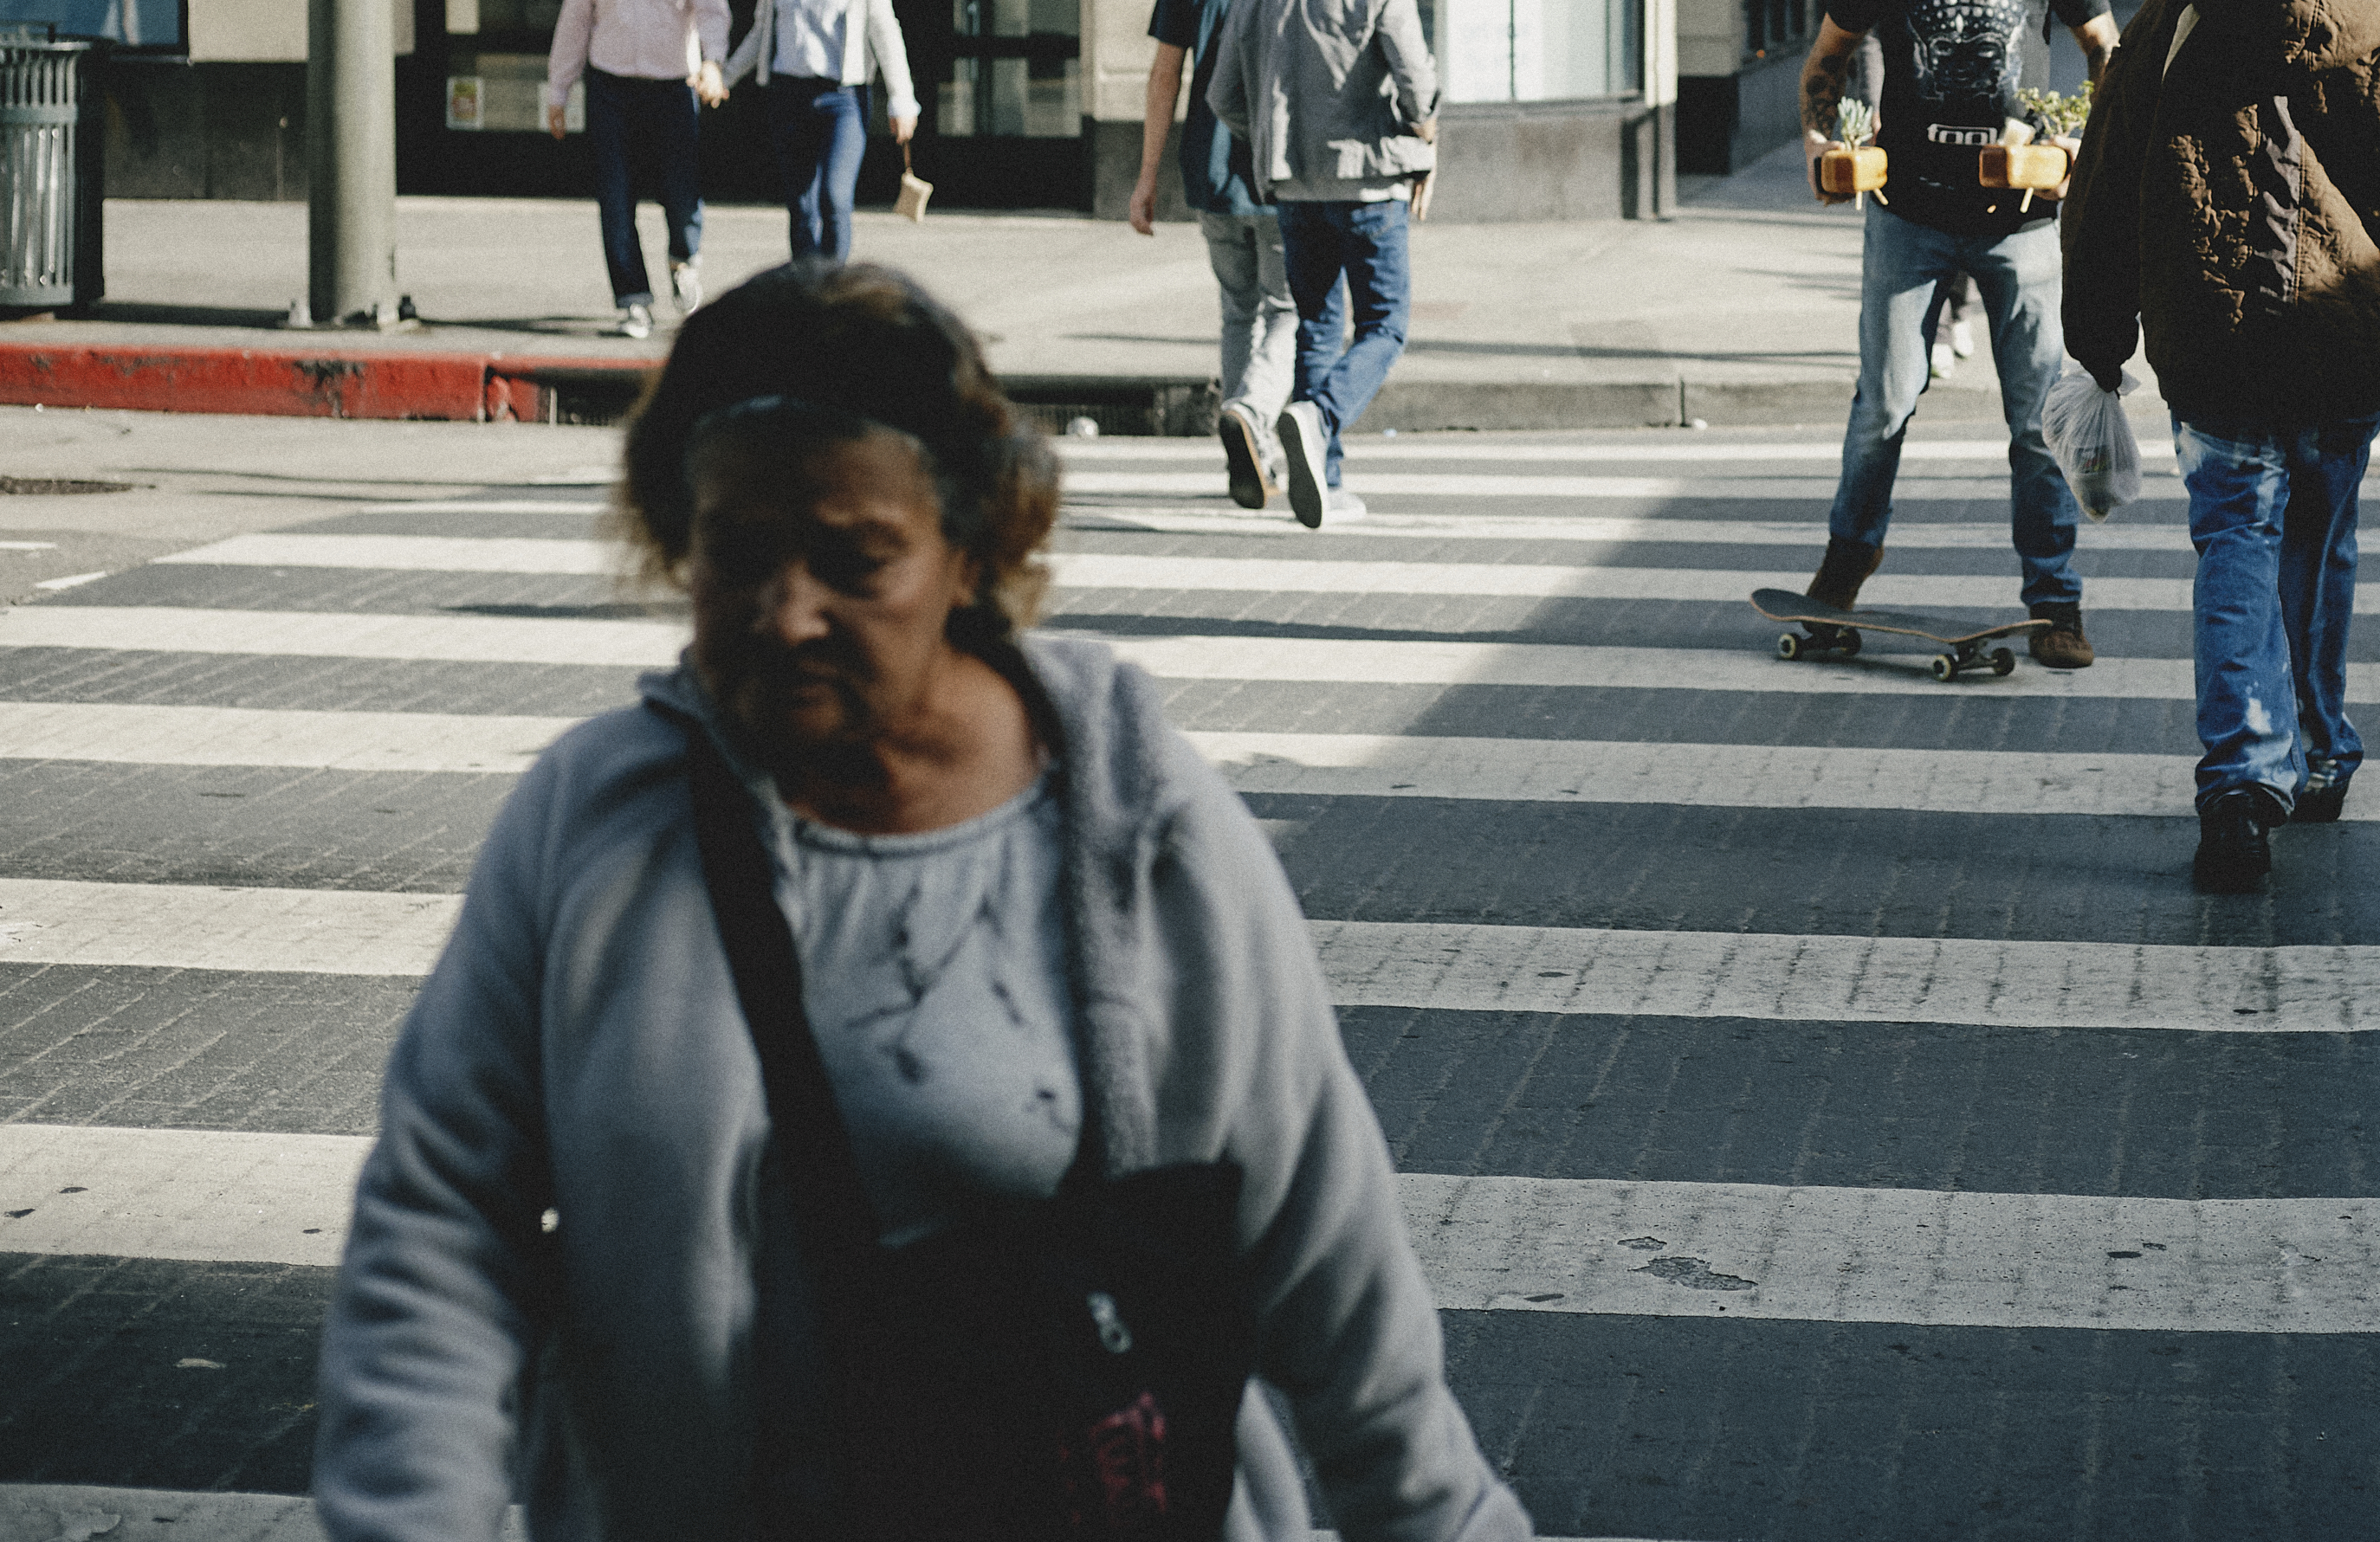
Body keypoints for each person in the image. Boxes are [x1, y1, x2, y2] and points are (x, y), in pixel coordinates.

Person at [313, 261, 1535, 1542]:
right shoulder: (594, 822)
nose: (788, 615)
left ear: (970, 550)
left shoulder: (1144, 828)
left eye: (856, 561)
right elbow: (442, 1225)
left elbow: (1334, 1276)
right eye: (739, 553)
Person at [2062, 0, 2380, 893]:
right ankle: (2320, 747)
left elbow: (2102, 186)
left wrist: (2099, 343)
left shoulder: (2183, 7)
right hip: (2350, 338)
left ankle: (2242, 784)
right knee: (2322, 538)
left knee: (2235, 541)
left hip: (2215, 334)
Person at [1792, 0, 2118, 668]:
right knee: (1884, 405)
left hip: (2023, 218)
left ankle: (2055, 599)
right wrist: (1824, 142)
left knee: (2038, 421)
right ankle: (1845, 567)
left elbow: (2107, 51)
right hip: (1910, 212)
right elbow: (1825, 61)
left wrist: (2080, 141)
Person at [1206, 0, 1438, 532]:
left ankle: (1326, 482)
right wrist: (1423, 135)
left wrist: (1269, 138)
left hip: (1294, 186)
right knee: (1384, 326)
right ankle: (1321, 417)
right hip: (1369, 182)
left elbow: (1222, 95)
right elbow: (1416, 83)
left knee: (1315, 323)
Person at [1132, 0, 1309, 510]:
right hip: (1287, 170)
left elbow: (1163, 77)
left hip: (1210, 165)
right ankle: (1253, 417)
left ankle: (1248, 447)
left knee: (1238, 310)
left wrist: (1146, 177)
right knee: (1290, 309)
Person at [546, 0, 729, 341]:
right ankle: (633, 301)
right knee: (615, 197)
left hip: (673, 88)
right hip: (612, 90)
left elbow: (713, 13)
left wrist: (713, 64)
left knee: (682, 193)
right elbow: (574, 26)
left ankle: (684, 258)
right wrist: (559, 91)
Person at [729, 0, 918, 266]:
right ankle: (807, 288)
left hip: (842, 97)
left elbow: (884, 29)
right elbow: (762, 30)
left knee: (834, 196)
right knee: (801, 204)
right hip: (788, 94)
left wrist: (902, 98)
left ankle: (834, 286)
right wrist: (725, 75)